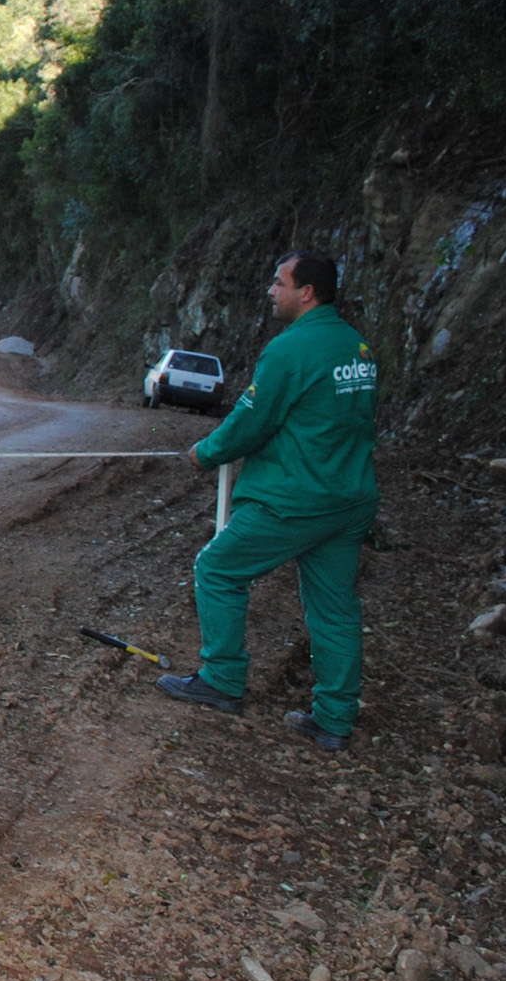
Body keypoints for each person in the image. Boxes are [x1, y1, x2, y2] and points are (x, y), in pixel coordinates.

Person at [157, 251, 379, 751]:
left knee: (217, 569)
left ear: (307, 292)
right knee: (335, 608)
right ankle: (335, 721)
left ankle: (222, 680)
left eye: (279, 284)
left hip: (294, 500)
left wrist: (206, 454)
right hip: (349, 499)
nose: (270, 292)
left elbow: (251, 421)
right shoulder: (357, 346)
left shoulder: (290, 350)